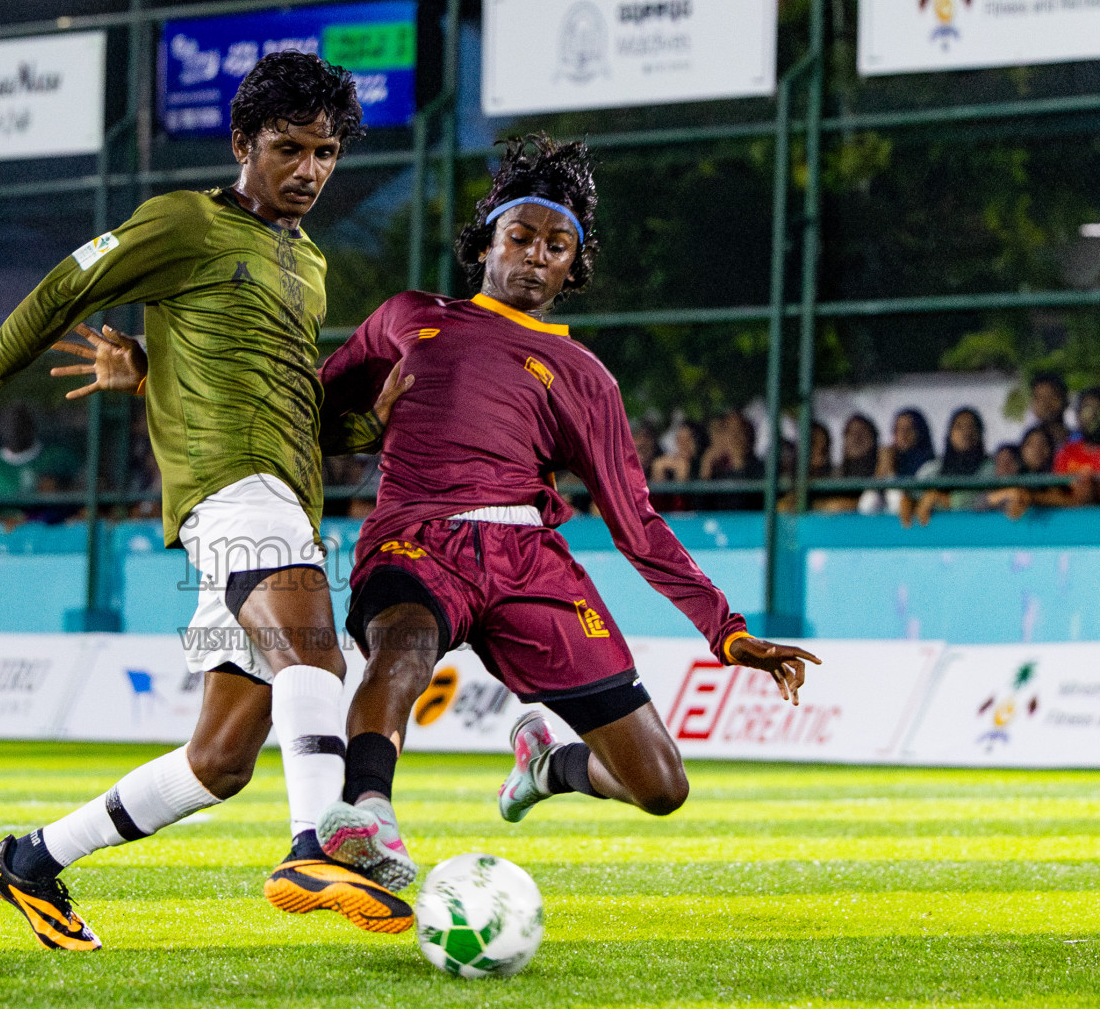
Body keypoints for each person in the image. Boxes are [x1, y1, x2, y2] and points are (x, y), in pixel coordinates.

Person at [0, 52, 413, 948]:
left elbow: (281, 400)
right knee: (316, 661)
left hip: (280, 498)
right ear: (243, 143)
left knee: (219, 762)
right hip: (232, 497)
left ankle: (31, 860)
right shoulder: (185, 224)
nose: (310, 170)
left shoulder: (308, 260)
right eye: (289, 148)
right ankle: (316, 846)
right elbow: (62, 292)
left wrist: (373, 426)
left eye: (326, 153)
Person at [309, 135, 819, 890]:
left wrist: (727, 630)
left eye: (557, 245)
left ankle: (550, 766)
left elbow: (637, 523)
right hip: (418, 537)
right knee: (403, 649)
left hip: (528, 562)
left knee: (660, 785)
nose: (536, 255)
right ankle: (367, 812)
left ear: (572, 268)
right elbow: (312, 409)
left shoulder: (585, 378)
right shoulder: (407, 317)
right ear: (487, 242)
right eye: (521, 237)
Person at [904, 407, 991, 526]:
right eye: (959, 427)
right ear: (950, 434)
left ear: (980, 434)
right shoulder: (933, 468)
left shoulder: (989, 467)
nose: (966, 432)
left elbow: (978, 499)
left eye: (972, 426)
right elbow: (914, 494)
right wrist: (907, 501)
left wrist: (938, 498)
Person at [861, 408, 933, 515]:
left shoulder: (931, 468)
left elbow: (899, 508)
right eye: (898, 430)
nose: (903, 435)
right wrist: (880, 471)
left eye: (909, 429)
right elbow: (866, 507)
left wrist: (890, 472)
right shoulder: (888, 462)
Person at [985, 426, 1067, 520]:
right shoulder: (1013, 477)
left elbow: (1068, 499)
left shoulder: (1058, 478)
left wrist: (1032, 498)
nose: (1037, 449)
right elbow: (984, 501)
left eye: (1043, 444)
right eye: (1031, 444)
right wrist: (1011, 494)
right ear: (1022, 449)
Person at [1054, 386, 1100, 506]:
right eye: (1087, 409)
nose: (1094, 416)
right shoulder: (1066, 452)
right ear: (1078, 414)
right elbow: (1056, 492)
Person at [649, 419, 705, 512]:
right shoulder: (669, 465)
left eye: (687, 440)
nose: (683, 446)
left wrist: (682, 475)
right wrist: (658, 470)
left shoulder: (702, 464)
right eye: (680, 441)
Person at [1030, 371, 1073, 454]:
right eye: (1039, 398)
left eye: (1051, 396)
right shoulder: (1027, 450)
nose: (1045, 404)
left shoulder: (1082, 442)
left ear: (1066, 400)